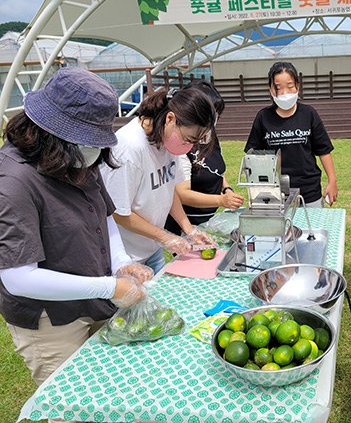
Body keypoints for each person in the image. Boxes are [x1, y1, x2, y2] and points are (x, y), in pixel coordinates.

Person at [0, 68, 149, 422]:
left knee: (110, 392)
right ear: (50, 134)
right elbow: (18, 277)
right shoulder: (13, 181)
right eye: (87, 143)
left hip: (95, 295)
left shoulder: (78, 157)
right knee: (71, 407)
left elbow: (104, 216)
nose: (94, 155)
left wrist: (120, 262)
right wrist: (111, 285)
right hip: (50, 318)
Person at [100, 87, 216, 274]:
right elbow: (118, 213)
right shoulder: (129, 148)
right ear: (170, 118)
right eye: (189, 138)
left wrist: (189, 230)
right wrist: (165, 237)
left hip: (152, 246)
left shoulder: (169, 137)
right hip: (125, 257)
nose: (190, 145)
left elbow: (167, 189)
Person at [244, 61, 337, 207]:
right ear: (270, 89)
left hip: (309, 192)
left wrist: (332, 181)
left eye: (290, 86)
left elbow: (324, 151)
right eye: (278, 88)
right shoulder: (263, 117)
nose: (285, 93)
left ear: (297, 86)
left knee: (310, 229)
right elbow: (253, 156)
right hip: (275, 193)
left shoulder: (309, 114)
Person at [165, 80, 244, 234]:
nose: (213, 120)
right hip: (186, 223)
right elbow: (182, 193)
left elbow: (215, 168)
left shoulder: (209, 134)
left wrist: (226, 189)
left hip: (209, 220)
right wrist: (221, 201)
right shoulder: (180, 142)